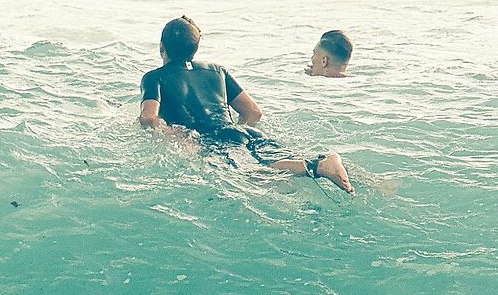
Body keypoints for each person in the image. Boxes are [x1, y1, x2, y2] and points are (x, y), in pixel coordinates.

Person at [138, 16, 352, 192]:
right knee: (273, 164)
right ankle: (344, 173)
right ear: (195, 47)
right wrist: (235, 132)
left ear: (161, 47)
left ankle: (317, 165)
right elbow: (253, 112)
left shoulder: (154, 78)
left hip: (212, 141)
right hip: (244, 133)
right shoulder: (217, 70)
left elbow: (149, 117)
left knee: (254, 173)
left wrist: (171, 134)